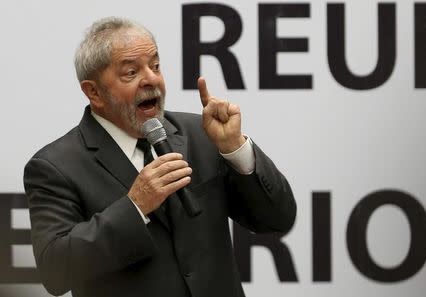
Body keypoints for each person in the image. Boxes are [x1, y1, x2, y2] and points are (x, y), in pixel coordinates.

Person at [23, 17, 296, 297]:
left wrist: (235, 148)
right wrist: (136, 207)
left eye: (155, 66)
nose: (152, 79)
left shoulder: (203, 134)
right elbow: (55, 271)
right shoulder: (55, 166)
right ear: (94, 92)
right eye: (131, 72)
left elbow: (278, 218)